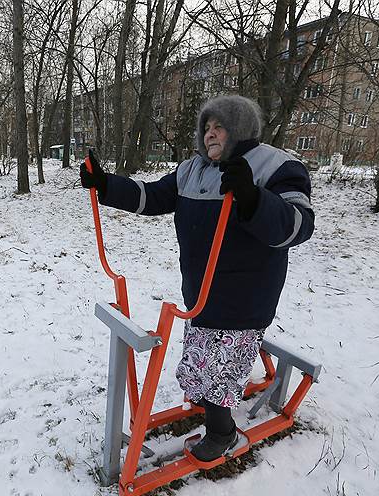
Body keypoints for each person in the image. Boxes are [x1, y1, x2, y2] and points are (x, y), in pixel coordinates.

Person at [80, 95, 315, 461]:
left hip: (245, 297)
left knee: (216, 376)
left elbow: (298, 226)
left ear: (238, 129)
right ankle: (212, 411)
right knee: (196, 367)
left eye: (219, 127)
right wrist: (105, 184)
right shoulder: (194, 169)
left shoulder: (277, 165)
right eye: (206, 127)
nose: (210, 134)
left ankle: (224, 434)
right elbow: (152, 196)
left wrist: (253, 198)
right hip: (201, 294)